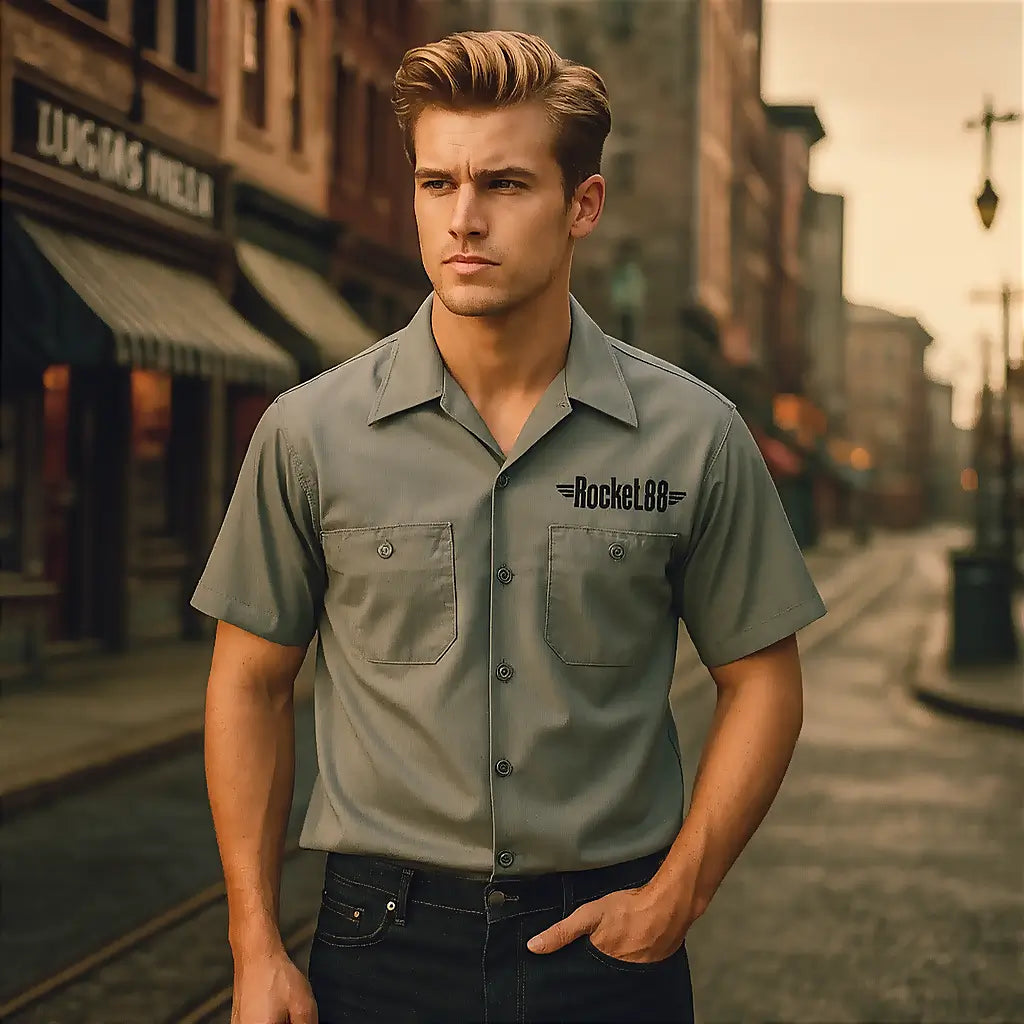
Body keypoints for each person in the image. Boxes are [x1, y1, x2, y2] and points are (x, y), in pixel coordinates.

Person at [193, 29, 827, 1024]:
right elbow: (248, 683)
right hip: (379, 943)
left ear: (583, 205)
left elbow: (762, 679)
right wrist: (253, 941)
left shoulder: (694, 436)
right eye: (436, 183)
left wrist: (681, 891)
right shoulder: (307, 433)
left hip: (605, 951)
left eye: (504, 184)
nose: (464, 219)